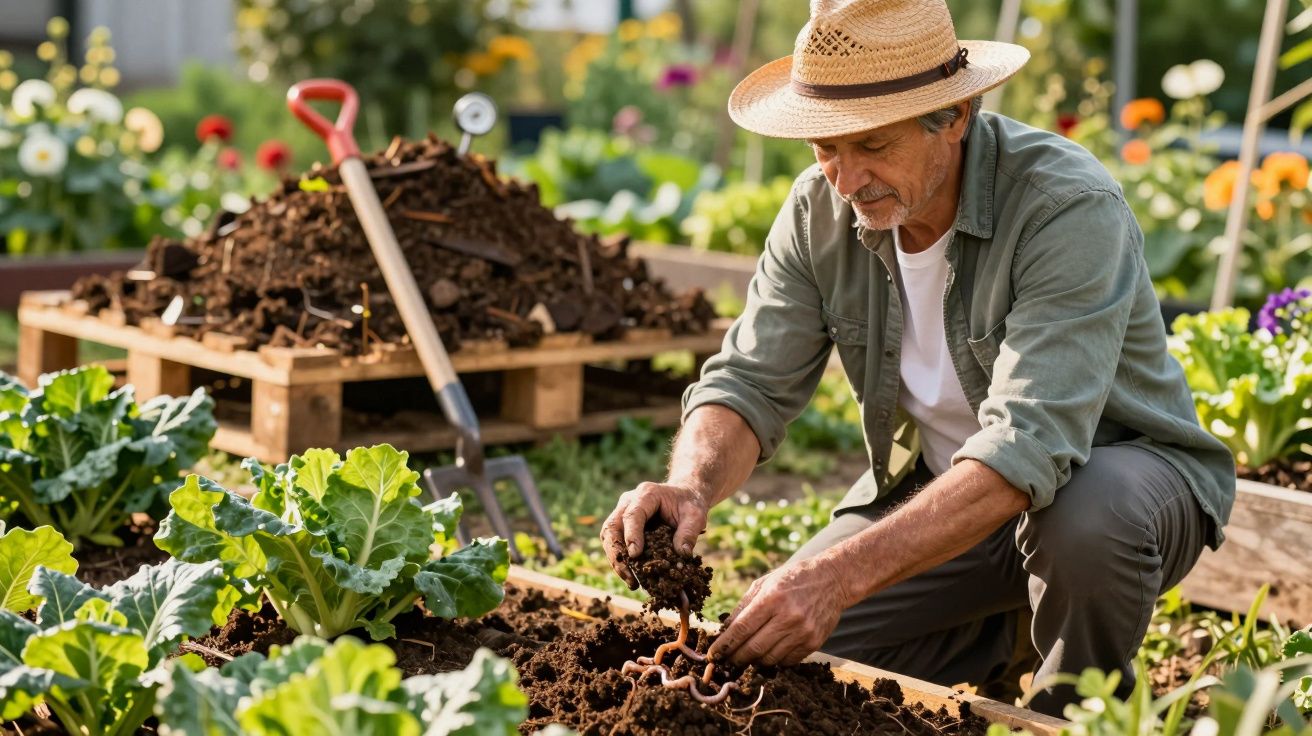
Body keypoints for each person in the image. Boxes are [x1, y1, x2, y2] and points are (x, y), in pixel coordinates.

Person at [600, 0, 1235, 715]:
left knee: (1086, 520)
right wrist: (690, 486)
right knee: (785, 654)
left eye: (871, 144)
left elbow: (1031, 444)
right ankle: (1009, 632)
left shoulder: (1064, 206)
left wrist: (840, 577)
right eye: (825, 148)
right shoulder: (819, 211)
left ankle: (1079, 711)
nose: (845, 178)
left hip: (1120, 481)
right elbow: (749, 381)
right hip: (950, 494)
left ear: (956, 116)